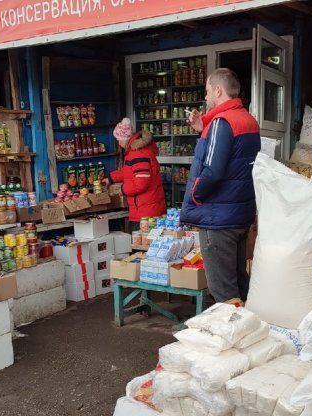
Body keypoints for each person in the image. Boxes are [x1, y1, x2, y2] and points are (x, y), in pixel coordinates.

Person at [182, 68, 260, 303]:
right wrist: (202, 129)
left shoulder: (221, 122)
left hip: (218, 218)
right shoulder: (248, 120)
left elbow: (213, 172)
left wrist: (195, 195)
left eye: (207, 91)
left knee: (223, 291)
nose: (205, 98)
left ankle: (233, 335)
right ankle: (249, 329)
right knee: (238, 281)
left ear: (218, 90)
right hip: (238, 213)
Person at [109, 118, 166, 230]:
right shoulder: (135, 151)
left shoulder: (138, 153)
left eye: (118, 139)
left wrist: (123, 189)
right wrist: (111, 178)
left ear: (123, 138)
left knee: (142, 245)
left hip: (146, 213)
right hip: (146, 209)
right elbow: (129, 171)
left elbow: (141, 183)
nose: (118, 143)